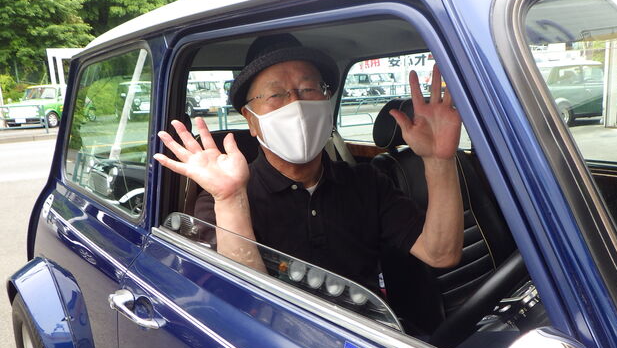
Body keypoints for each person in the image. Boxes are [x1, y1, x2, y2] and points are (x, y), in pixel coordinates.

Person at [154, 34, 463, 292]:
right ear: (251, 120)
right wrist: (231, 199)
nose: (297, 104)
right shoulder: (222, 199)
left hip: (371, 337)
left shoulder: (368, 182)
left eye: (309, 89)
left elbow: (440, 254)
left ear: (327, 102)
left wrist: (438, 160)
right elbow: (242, 302)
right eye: (276, 94)